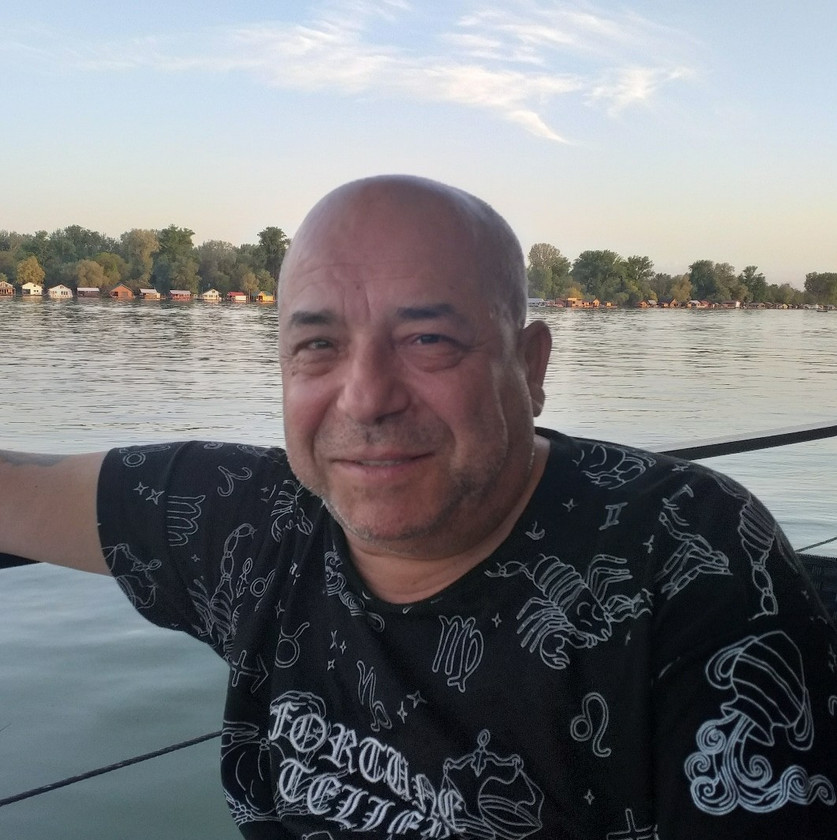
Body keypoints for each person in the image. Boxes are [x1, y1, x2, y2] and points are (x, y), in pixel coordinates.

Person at [1, 174, 835, 839]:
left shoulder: (686, 556)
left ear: (529, 367)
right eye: (318, 345)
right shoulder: (242, 519)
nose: (366, 396)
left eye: (427, 340)